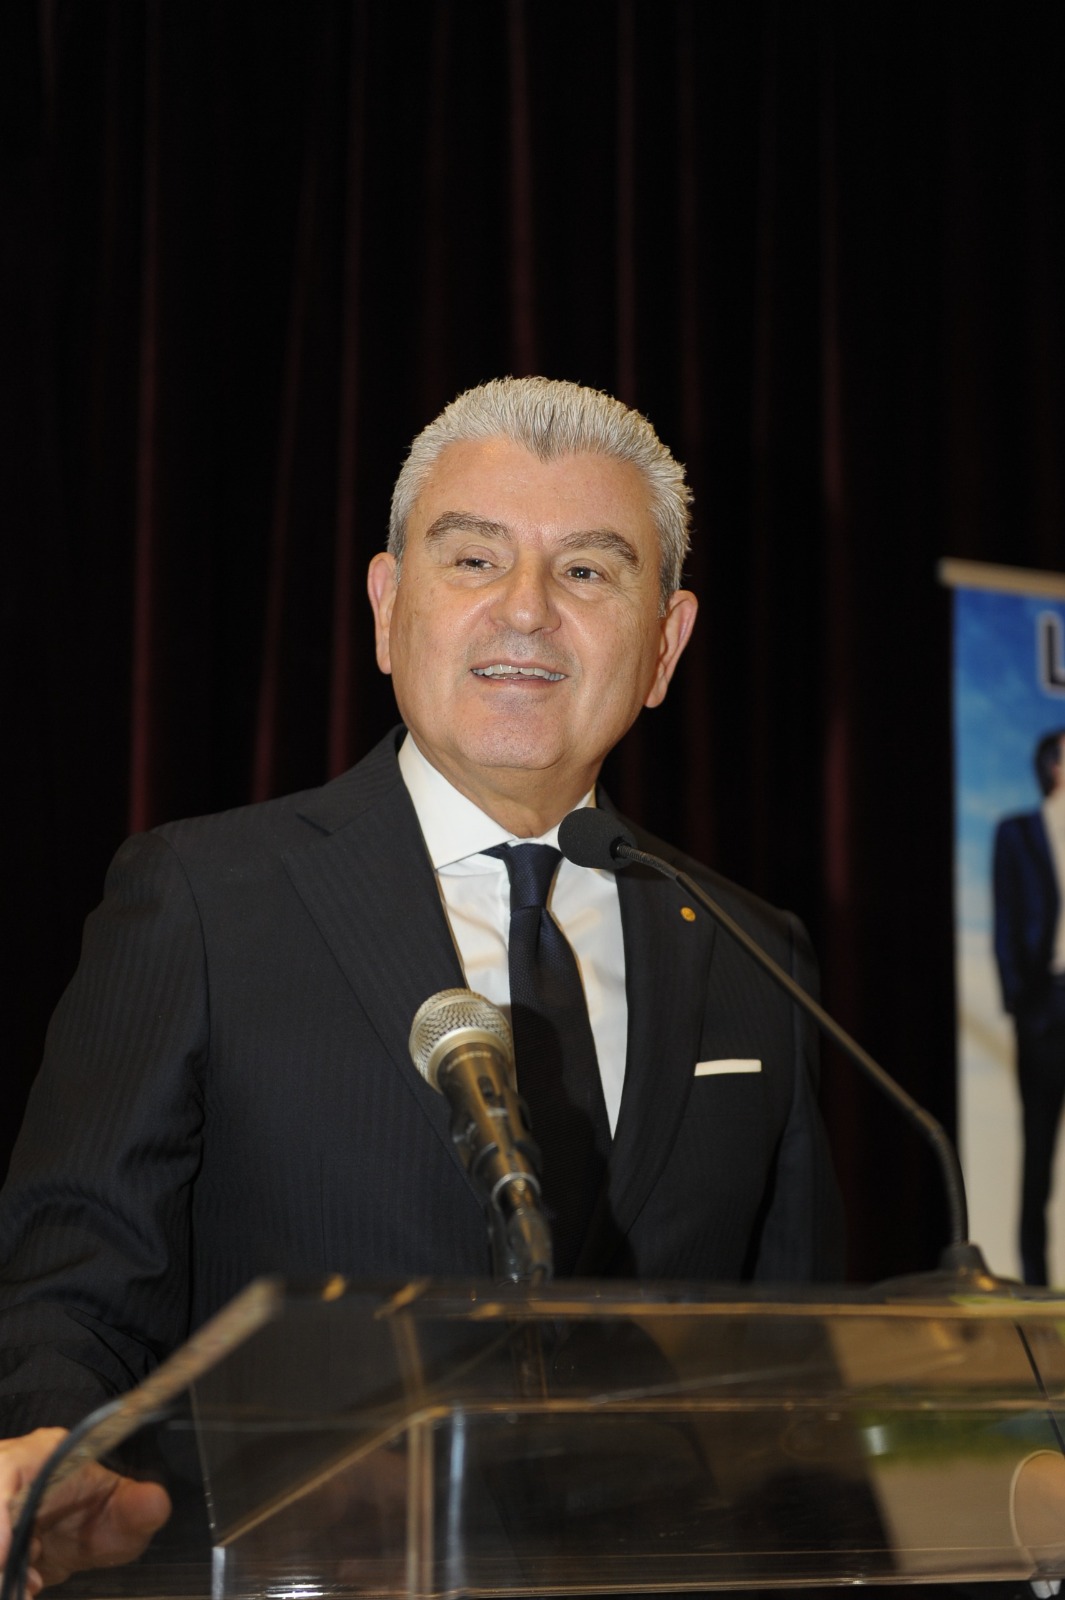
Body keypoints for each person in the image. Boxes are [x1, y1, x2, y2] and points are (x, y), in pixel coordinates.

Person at [0, 377, 842, 1589]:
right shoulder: (202, 899)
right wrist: (55, 1446)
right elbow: (75, 1278)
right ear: (390, 608)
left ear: (665, 645)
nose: (527, 609)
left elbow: (796, 1370)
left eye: (588, 570)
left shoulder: (755, 954)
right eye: (474, 559)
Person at [993, 727, 1065, 1286]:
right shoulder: (1018, 832)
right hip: (1046, 1007)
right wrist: (1022, 1001)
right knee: (1038, 1152)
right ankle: (1036, 1287)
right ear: (1054, 767)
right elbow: (1006, 921)